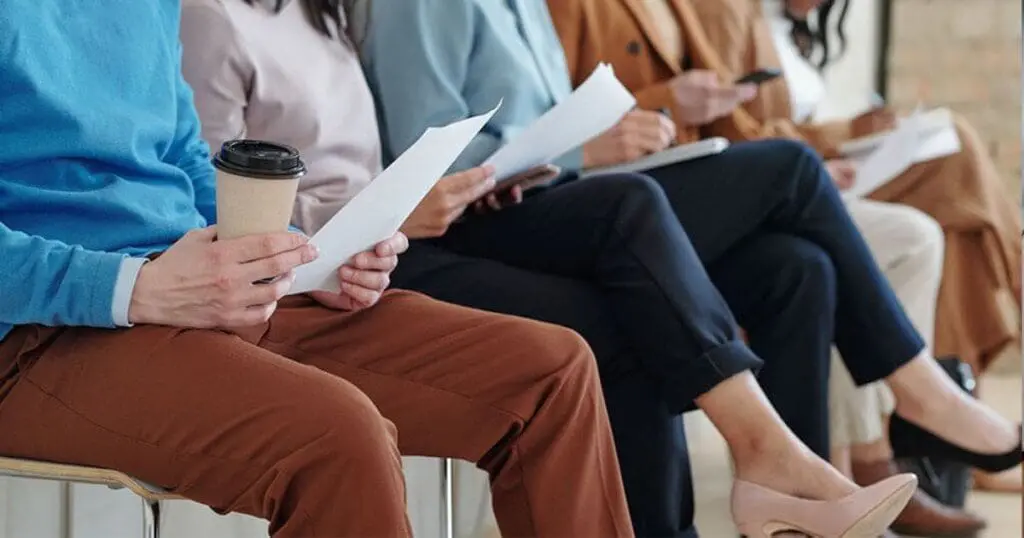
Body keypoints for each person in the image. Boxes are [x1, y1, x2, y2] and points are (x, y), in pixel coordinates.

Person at [183, 1, 1024, 537]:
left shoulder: (331, 18)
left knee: (791, 266)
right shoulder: (353, 11)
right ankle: (875, 410)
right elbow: (415, 150)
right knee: (701, 205)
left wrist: (611, 136)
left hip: (463, 216)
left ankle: (802, 502)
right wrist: (580, 152)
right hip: (449, 229)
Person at [0, 1, 642, 536]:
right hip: (40, 332)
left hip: (192, 289)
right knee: (337, 434)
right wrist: (135, 289)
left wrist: (303, 258)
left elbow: (183, 162)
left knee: (549, 371)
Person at [544, 0, 996, 534]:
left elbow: (737, 117)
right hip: (599, 197)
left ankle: (805, 509)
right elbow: (549, 117)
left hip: (667, 179)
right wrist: (669, 102)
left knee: (800, 267)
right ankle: (917, 394)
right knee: (797, 170)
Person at [689, 0, 1021, 376]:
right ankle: (1001, 304)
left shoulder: (787, 25)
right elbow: (739, 134)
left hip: (822, 164)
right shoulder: (726, 13)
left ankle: (949, 388)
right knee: (956, 148)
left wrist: (859, 130)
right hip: (794, 180)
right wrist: (845, 133)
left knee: (956, 214)